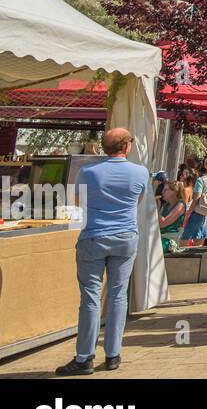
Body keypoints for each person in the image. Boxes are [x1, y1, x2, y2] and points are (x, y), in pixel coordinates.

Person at [57, 128, 149, 376]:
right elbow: (138, 201)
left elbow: (76, 201)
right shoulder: (140, 172)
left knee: (90, 297)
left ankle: (85, 356)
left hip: (94, 236)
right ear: (127, 146)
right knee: (118, 295)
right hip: (126, 237)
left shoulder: (87, 172)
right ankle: (113, 354)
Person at [180, 157, 207, 245]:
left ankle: (185, 258)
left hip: (197, 212)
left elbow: (196, 198)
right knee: (201, 239)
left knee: (185, 237)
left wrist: (188, 212)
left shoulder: (200, 180)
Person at [158, 180, 186, 252]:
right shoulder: (165, 205)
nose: (162, 192)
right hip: (160, 237)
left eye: (166, 190)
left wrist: (156, 208)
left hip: (170, 241)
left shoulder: (180, 205)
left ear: (174, 191)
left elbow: (162, 224)